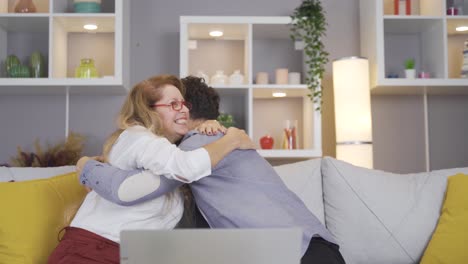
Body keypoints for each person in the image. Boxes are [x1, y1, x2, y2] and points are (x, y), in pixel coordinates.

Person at [78, 76, 346, 264]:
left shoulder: (196, 149)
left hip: (297, 253)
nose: (178, 110)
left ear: (186, 111)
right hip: (316, 246)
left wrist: (85, 166)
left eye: (180, 104)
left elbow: (130, 189)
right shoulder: (218, 140)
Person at [48, 75, 255, 264]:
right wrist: (231, 140)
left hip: (122, 252)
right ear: (149, 111)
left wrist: (208, 127)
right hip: (92, 250)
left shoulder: (165, 155)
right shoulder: (139, 137)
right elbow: (186, 167)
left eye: (184, 103)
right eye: (173, 104)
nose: (183, 109)